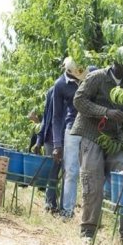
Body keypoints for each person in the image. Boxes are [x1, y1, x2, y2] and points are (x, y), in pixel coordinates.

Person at [70, 46, 123, 245]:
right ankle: (88, 231)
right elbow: (78, 101)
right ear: (117, 63)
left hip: (115, 139)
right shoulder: (97, 77)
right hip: (91, 135)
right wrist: (105, 112)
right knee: (93, 182)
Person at [52, 57, 88, 220]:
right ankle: (67, 211)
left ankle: (90, 215)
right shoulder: (60, 85)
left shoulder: (88, 73)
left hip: (91, 129)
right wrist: (57, 144)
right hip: (72, 129)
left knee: (90, 172)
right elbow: (57, 116)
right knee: (71, 171)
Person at [34, 86, 62, 213]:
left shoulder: (75, 89)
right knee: (52, 173)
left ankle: (61, 206)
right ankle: (50, 204)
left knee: (67, 174)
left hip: (67, 138)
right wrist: (39, 140)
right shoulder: (53, 90)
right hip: (50, 139)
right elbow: (46, 116)